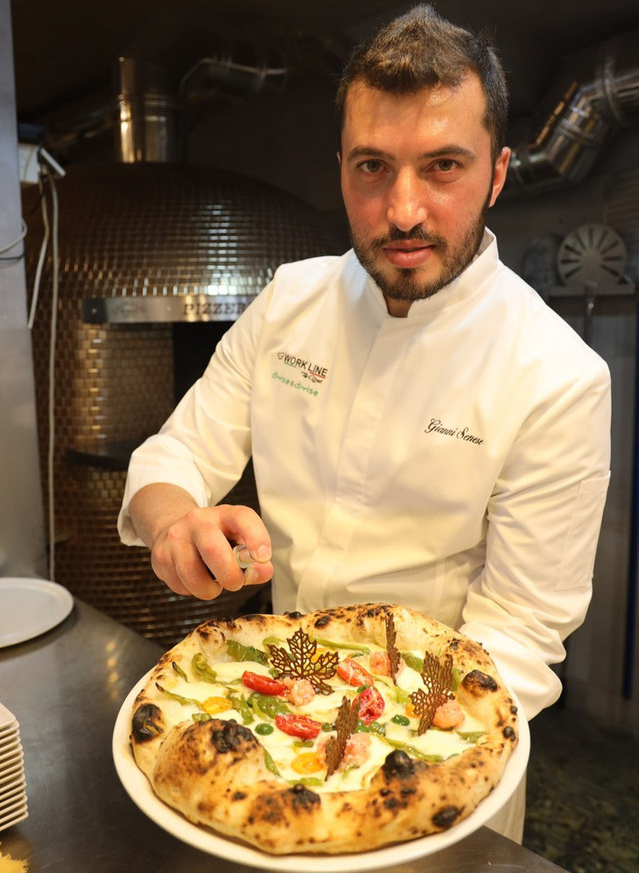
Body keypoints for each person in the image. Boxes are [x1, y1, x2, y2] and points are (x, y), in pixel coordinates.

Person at [118, 4, 611, 841]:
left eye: (443, 166)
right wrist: (175, 525)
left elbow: (520, 633)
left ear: (497, 173)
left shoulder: (558, 374)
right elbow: (176, 453)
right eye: (373, 167)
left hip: (439, 755)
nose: (404, 209)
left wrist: (372, 747)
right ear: (341, 167)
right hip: (279, 708)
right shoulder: (289, 301)